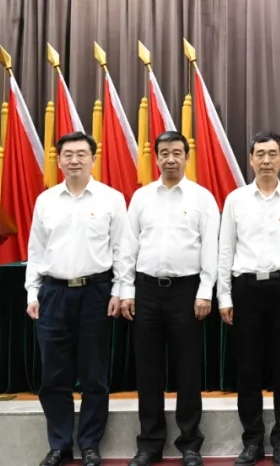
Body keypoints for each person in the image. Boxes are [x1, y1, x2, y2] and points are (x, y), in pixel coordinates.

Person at [25, 131, 130, 466]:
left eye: (81, 154)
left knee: (95, 375)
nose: (74, 160)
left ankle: (89, 444)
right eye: (68, 155)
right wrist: (32, 291)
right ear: (59, 160)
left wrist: (120, 290)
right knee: (54, 376)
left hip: (96, 293)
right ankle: (59, 444)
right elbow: (36, 251)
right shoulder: (46, 201)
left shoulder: (111, 199)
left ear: (93, 159)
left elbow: (122, 250)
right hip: (53, 293)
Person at [119, 131, 219, 466]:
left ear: (187, 157)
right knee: (148, 372)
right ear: (156, 157)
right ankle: (149, 444)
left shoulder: (202, 198)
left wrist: (205, 292)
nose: (170, 159)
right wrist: (127, 290)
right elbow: (128, 247)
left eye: (177, 152)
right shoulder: (141, 197)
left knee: (187, 371)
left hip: (187, 293)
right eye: (164, 153)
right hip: (146, 291)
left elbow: (211, 248)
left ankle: (190, 444)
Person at [218, 131, 280, 466]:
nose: (266, 160)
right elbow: (225, 250)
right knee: (248, 370)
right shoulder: (236, 200)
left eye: (273, 154)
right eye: (260, 154)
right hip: (246, 290)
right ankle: (252, 442)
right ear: (250, 159)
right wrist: (224, 296)